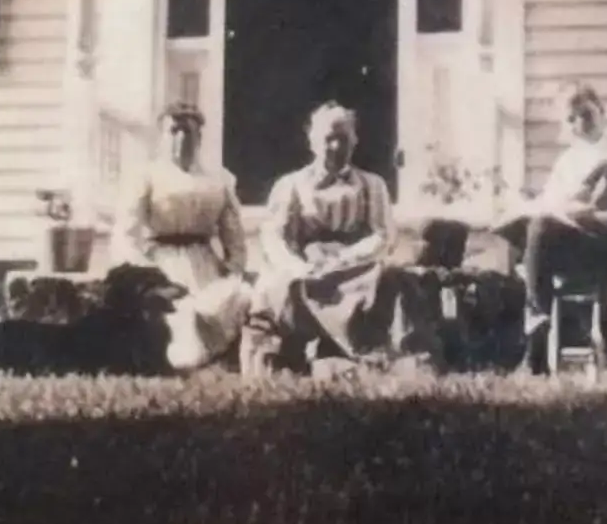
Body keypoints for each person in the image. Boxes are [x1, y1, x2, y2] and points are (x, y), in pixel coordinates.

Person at [245, 103, 441, 374]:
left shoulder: (371, 184)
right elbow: (274, 236)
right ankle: (303, 351)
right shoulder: (291, 185)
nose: (336, 147)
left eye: (343, 139)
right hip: (308, 269)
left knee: (392, 280)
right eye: (329, 139)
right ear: (312, 140)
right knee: (283, 289)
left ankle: (385, 353)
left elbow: (383, 234)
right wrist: (297, 266)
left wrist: (345, 258)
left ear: (355, 141)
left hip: (355, 268)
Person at [517, 82, 607, 372]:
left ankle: (535, 345)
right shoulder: (567, 161)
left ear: (601, 112)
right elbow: (551, 204)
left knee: (541, 229)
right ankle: (537, 338)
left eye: (586, 114)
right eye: (571, 118)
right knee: (534, 227)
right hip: (570, 246)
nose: (580, 123)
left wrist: (591, 219)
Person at [118, 104, 251, 372]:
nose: (181, 139)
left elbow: (234, 235)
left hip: (204, 262)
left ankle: (213, 360)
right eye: (173, 131)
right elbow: (126, 233)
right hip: (162, 262)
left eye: (188, 132)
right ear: (162, 136)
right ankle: (181, 362)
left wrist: (233, 268)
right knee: (179, 310)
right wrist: (144, 273)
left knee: (232, 298)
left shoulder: (218, 179)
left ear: (199, 137)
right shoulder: (146, 175)